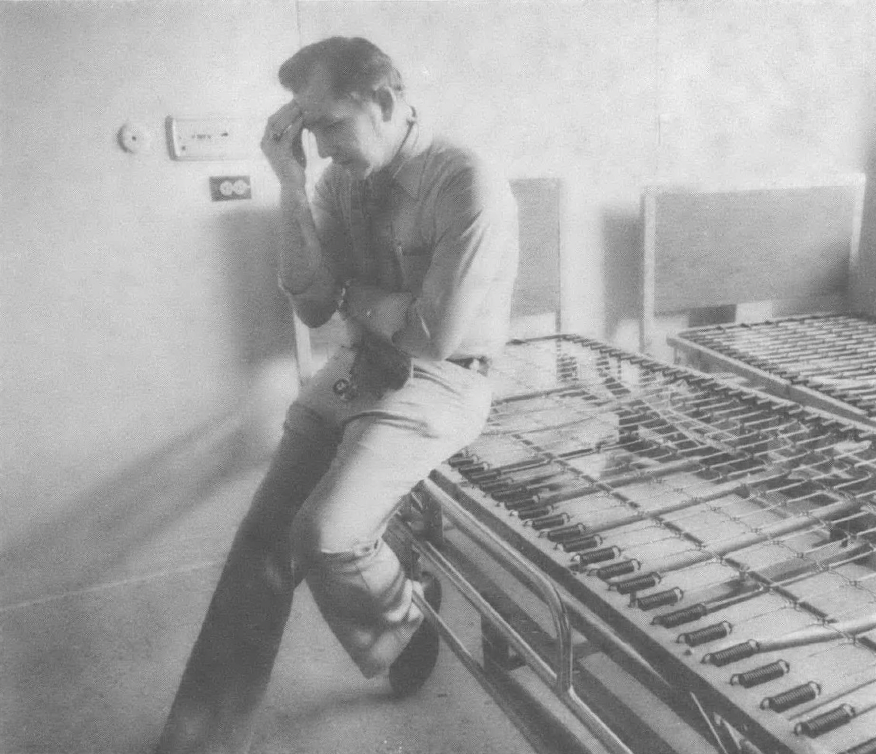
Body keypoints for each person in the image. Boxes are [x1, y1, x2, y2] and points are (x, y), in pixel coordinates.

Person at [155, 36, 519, 754]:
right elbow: (315, 307)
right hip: (357, 365)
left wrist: (357, 296)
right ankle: (200, 742)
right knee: (261, 541)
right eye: (305, 127)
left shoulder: (466, 182)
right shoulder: (339, 181)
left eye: (326, 123)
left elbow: (434, 335)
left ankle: (402, 624)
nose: (317, 143)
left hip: (441, 383)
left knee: (324, 535)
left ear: (383, 100)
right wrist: (290, 185)